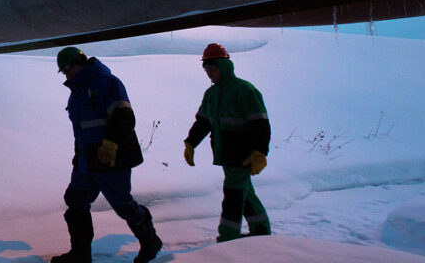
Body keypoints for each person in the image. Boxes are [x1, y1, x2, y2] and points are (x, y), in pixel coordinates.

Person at [52, 46, 162, 263]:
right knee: (75, 200)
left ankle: (150, 240)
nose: (66, 75)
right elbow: (82, 129)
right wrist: (79, 156)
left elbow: (124, 117)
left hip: (111, 158)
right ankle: (80, 255)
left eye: (67, 70)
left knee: (122, 205)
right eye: (63, 72)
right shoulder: (77, 92)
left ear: (78, 64)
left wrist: (110, 145)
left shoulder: (107, 82)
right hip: (86, 160)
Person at [183, 42, 272, 242]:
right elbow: (203, 122)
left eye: (212, 68)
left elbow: (260, 124)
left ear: (223, 66)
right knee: (245, 192)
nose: (209, 73)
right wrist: (191, 143)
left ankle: (227, 237)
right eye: (206, 69)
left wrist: (259, 152)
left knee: (233, 194)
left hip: (243, 154)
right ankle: (261, 230)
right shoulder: (212, 94)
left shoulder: (245, 90)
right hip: (225, 153)